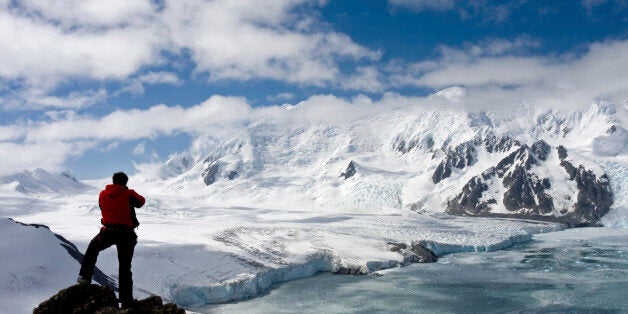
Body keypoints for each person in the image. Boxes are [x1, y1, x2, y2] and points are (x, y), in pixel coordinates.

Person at [77, 172, 145, 308]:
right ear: (125, 182)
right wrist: (128, 192)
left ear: (113, 181)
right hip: (126, 234)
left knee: (92, 249)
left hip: (108, 232)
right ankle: (126, 301)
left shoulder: (103, 194)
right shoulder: (129, 194)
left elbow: (102, 207)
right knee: (125, 267)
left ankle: (84, 277)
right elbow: (141, 202)